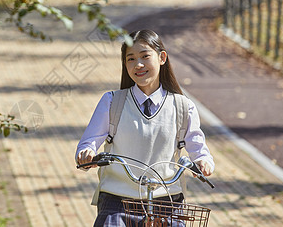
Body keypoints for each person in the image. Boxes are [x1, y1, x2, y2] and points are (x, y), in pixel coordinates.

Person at [75, 30, 214, 226]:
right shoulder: (112, 102)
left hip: (168, 203)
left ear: (162, 57)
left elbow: (198, 147)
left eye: (145, 56)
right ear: (125, 64)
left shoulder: (183, 106)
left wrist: (203, 162)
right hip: (118, 201)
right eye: (130, 59)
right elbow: (88, 142)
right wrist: (86, 153)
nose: (138, 64)